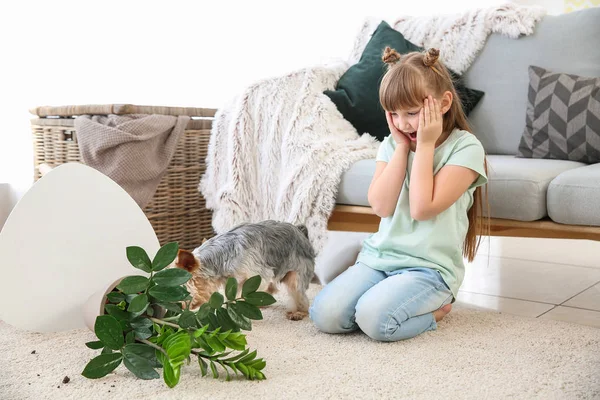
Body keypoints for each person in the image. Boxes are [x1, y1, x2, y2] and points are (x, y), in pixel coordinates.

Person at [310, 47, 488, 341]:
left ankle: (434, 311)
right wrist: (403, 147)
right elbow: (380, 206)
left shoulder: (465, 148)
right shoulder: (393, 145)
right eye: (394, 114)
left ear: (443, 103)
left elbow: (422, 208)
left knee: (375, 320)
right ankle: (385, 298)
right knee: (326, 314)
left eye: (412, 113)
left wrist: (426, 145)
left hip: (429, 269)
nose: (403, 123)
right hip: (380, 259)